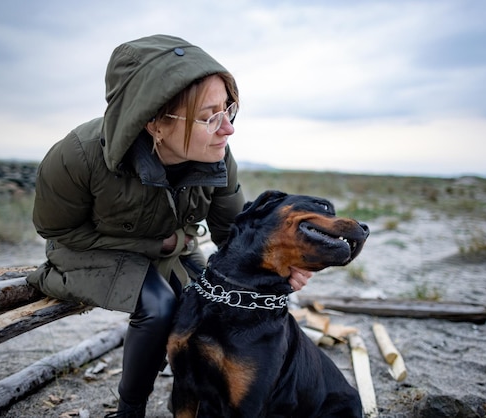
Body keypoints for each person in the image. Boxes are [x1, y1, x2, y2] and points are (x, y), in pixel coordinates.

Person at [26, 34, 312, 417]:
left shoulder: (217, 157)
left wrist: (279, 264)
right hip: (83, 250)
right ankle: (130, 410)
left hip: (174, 246)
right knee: (159, 306)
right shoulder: (77, 156)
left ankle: (202, 397)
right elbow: (56, 232)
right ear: (154, 121)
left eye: (229, 110)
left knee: (207, 302)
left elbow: (233, 233)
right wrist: (154, 246)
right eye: (210, 116)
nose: (227, 129)